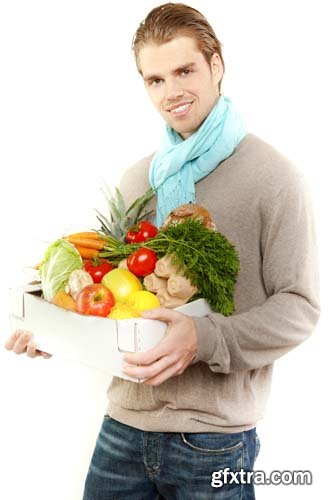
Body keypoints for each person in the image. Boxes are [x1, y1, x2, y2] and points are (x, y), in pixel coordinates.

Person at [5, 3, 320, 499]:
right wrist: (59, 329)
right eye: (154, 80)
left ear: (216, 65)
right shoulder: (140, 180)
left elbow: (299, 308)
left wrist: (203, 337)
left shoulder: (274, 178)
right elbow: (116, 298)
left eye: (184, 70)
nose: (170, 92)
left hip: (214, 442)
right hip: (122, 432)